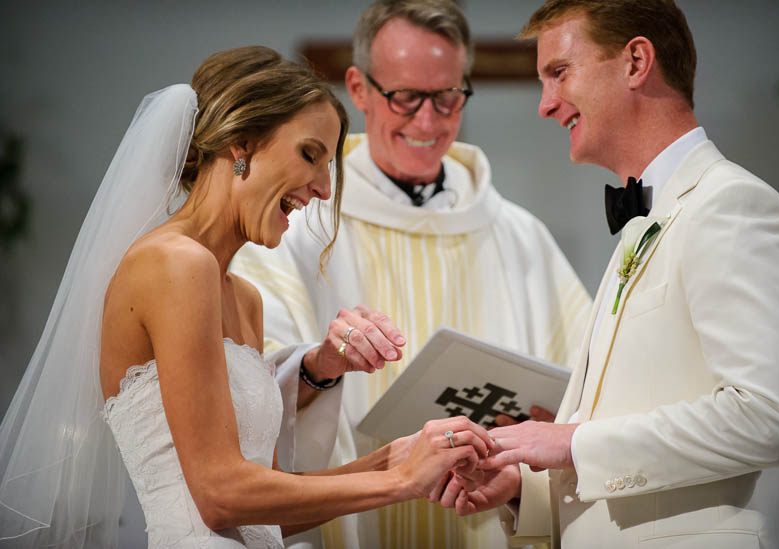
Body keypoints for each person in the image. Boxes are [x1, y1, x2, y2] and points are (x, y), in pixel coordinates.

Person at [0, 46, 496, 549]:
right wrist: (398, 481)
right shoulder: (175, 263)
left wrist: (392, 460)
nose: (324, 188)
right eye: (310, 155)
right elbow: (218, 496)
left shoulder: (243, 298)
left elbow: (269, 510)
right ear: (241, 144)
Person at [444, 1, 779, 547]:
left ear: (636, 62)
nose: (546, 105)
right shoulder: (647, 221)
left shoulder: (732, 206)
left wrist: (572, 443)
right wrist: (527, 490)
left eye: (559, 72)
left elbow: (771, 416)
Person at [229, 2, 592, 548]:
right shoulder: (298, 221)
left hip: (489, 523)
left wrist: (545, 423)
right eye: (405, 97)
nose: (428, 121)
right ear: (358, 87)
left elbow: (585, 388)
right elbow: (244, 394)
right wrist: (319, 366)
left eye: (447, 97)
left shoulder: (518, 235)